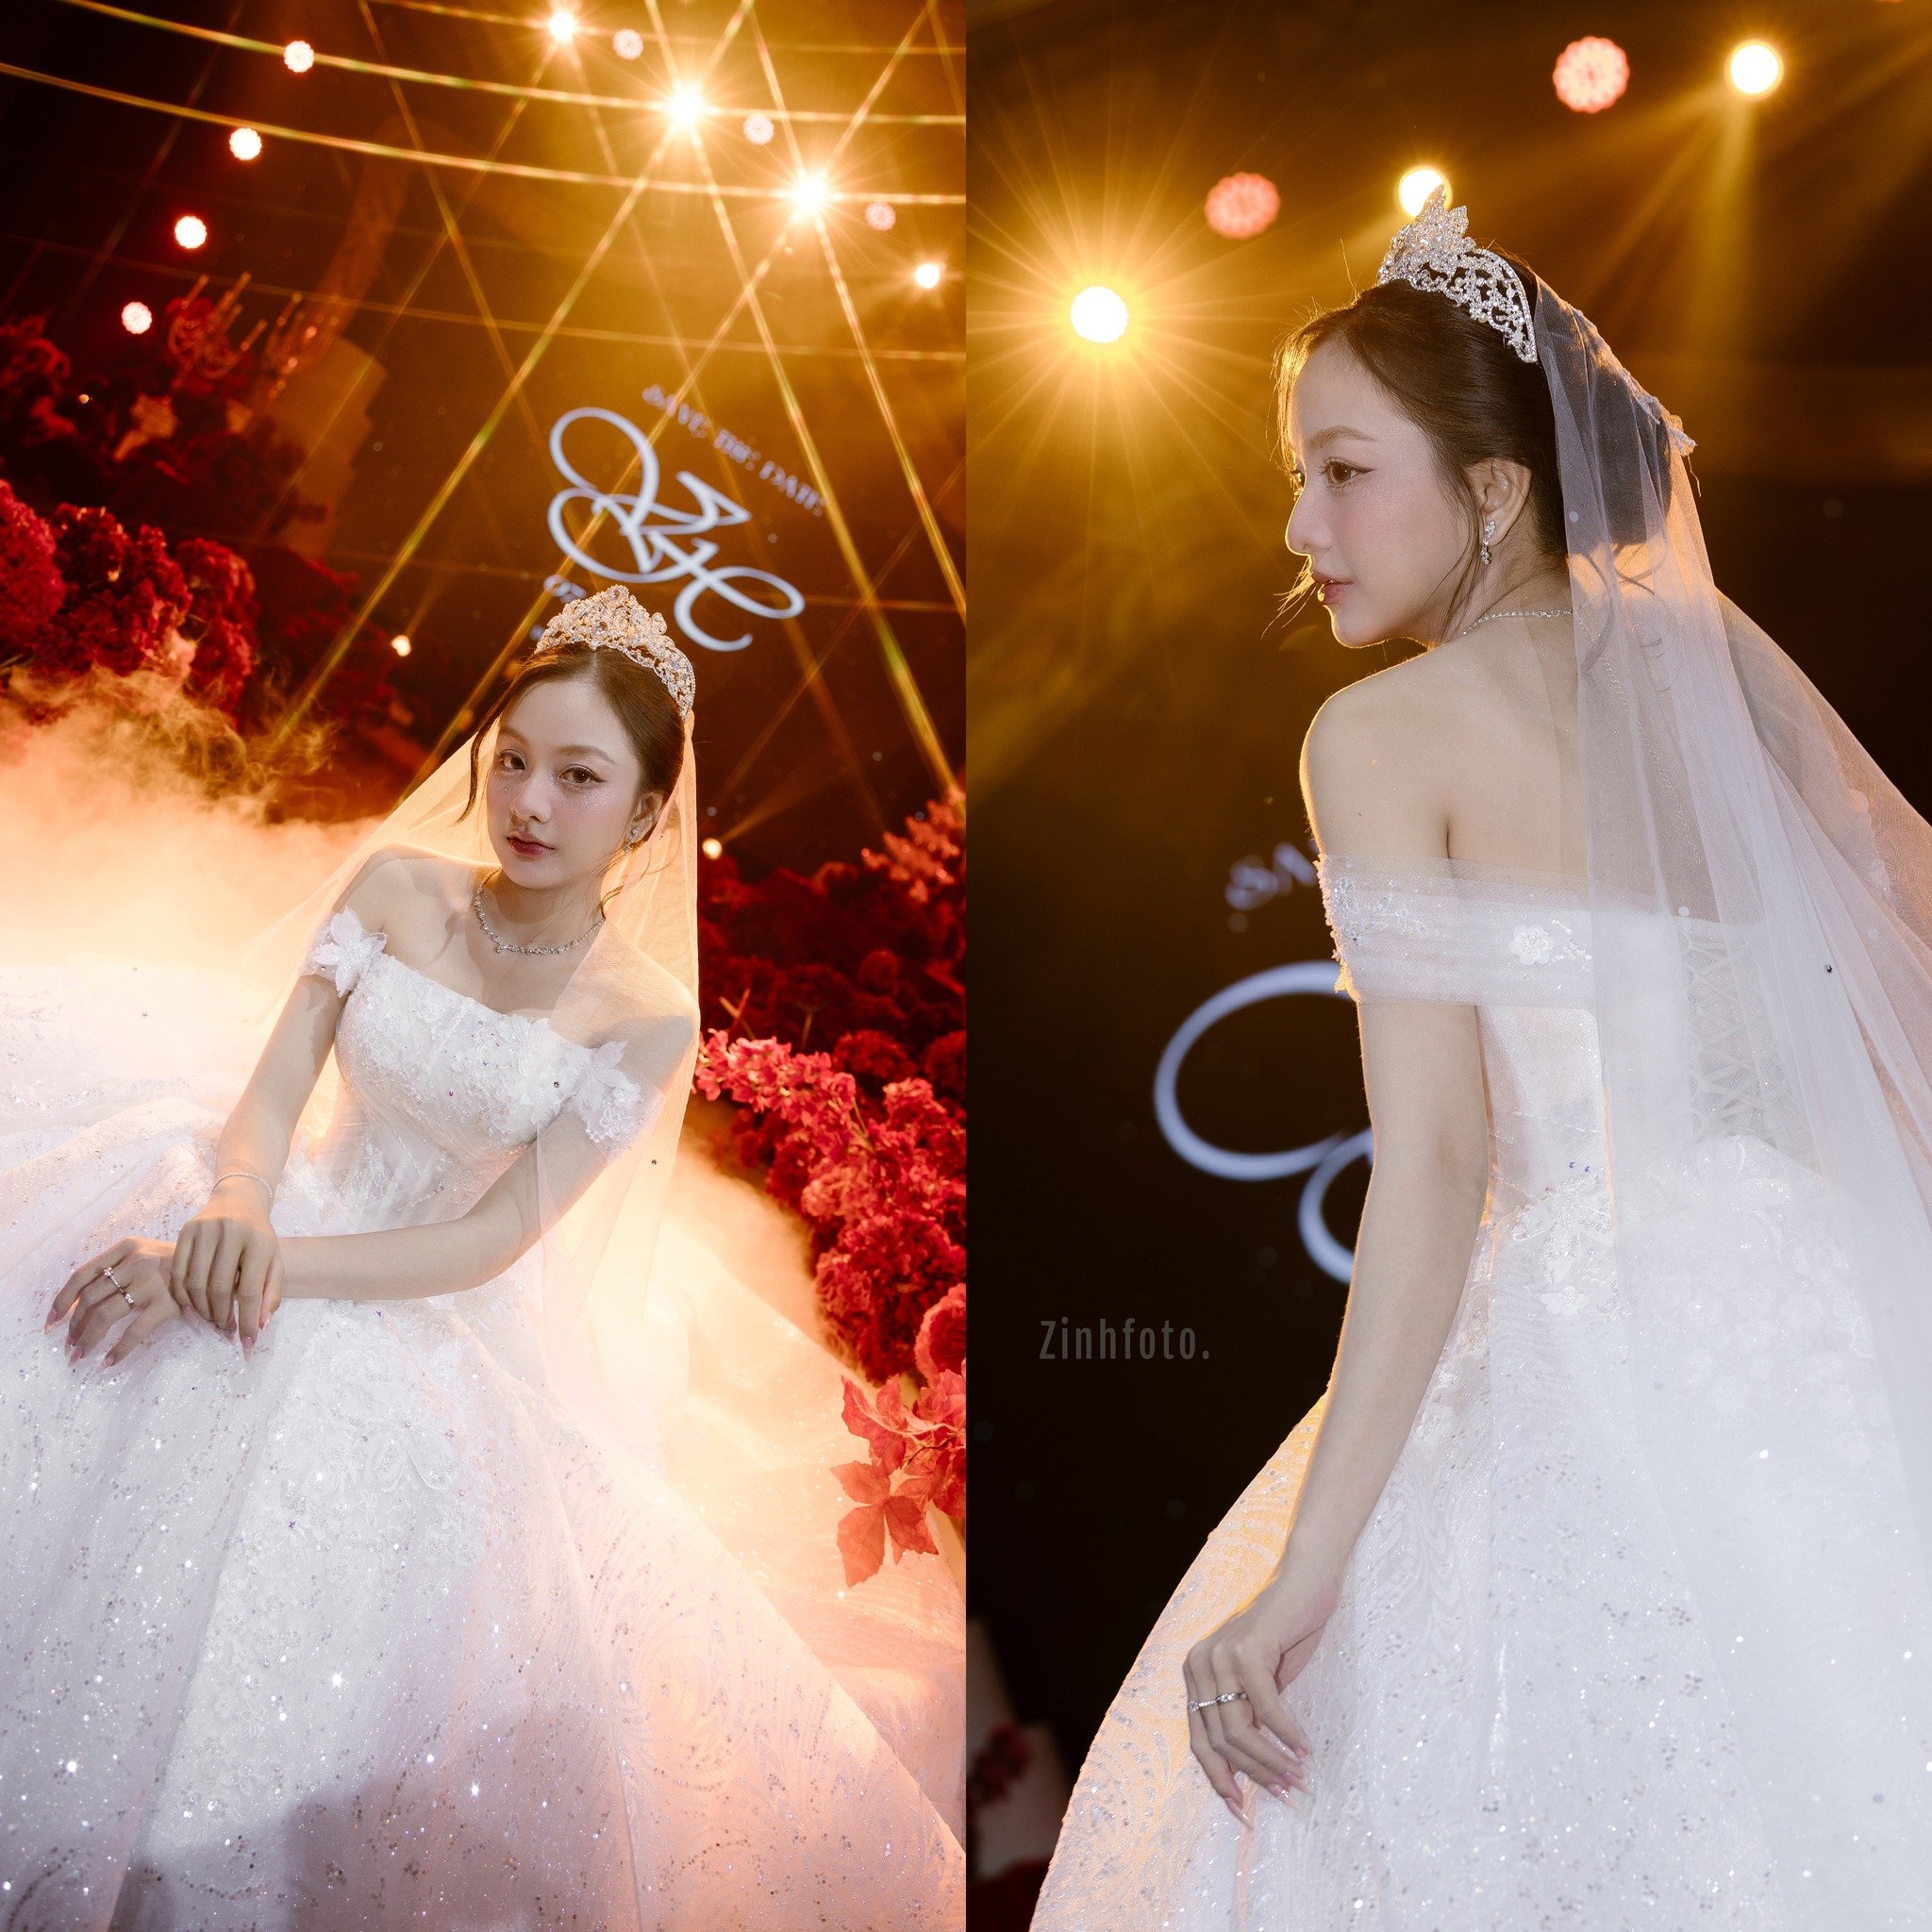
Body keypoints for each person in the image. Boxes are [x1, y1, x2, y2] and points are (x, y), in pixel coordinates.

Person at [1029, 190, 1932, 1927]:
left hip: (1586, 1350)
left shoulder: (1376, 734)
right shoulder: (1719, 674)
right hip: (1829, 1322)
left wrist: (1306, 1575)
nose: (1299, 523)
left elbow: (1436, 1176)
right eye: (1301, 474)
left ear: (1497, 488)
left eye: (1344, 470)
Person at [0, 585, 964, 1928]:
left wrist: (262, 1272)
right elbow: (278, 1083)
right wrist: (233, 1204)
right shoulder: (400, 888)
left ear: (643, 816)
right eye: (513, 758)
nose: (527, 801)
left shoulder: (644, 1013)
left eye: (578, 778)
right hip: (281, 1188)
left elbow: (493, 1236)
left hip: (429, 1293)